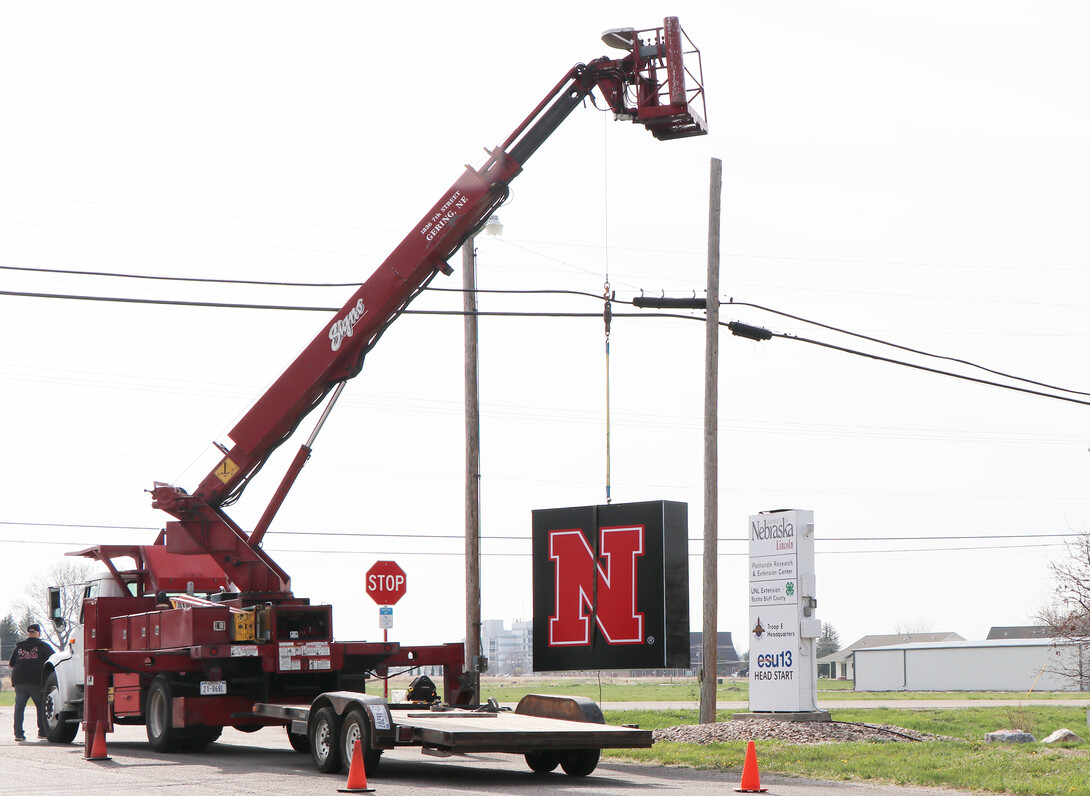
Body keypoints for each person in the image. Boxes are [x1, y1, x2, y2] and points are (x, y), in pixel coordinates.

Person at [8, 623, 55, 741]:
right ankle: (42, 732)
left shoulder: (19, 647)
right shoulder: (43, 646)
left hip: (19, 681)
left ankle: (18, 734)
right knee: (40, 706)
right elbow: (55, 660)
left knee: (19, 707)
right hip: (35, 681)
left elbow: (11, 664)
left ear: (28, 633)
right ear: (39, 633)